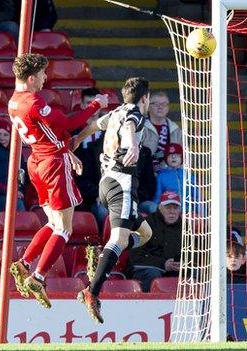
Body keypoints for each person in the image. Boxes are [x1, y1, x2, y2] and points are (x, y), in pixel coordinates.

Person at [7, 53, 108, 309]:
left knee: (53, 223)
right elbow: (69, 122)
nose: (44, 79)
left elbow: (48, 134)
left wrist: (68, 152)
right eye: (42, 74)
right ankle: (38, 277)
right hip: (52, 165)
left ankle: (24, 262)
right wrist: (96, 105)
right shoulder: (33, 101)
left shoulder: (13, 101)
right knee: (64, 228)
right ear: (31, 78)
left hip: (37, 163)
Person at [73, 77, 153, 323]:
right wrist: (133, 147)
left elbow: (96, 125)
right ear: (145, 98)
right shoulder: (134, 114)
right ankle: (92, 291)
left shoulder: (116, 112)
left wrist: (77, 139)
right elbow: (130, 126)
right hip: (122, 184)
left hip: (106, 185)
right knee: (118, 238)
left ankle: (103, 256)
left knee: (146, 233)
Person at [127, 191, 182, 292]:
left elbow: (195, 253)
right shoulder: (145, 224)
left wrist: (182, 264)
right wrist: (163, 264)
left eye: (175, 208)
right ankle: (146, 304)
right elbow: (135, 256)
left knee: (194, 273)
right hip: (145, 268)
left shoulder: (185, 228)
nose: (172, 211)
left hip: (175, 270)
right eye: (168, 207)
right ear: (160, 208)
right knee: (153, 274)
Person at [73, 87, 108, 229]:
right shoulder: (73, 131)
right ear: (82, 105)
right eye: (89, 103)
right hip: (83, 192)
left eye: (96, 104)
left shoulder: (110, 131)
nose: (93, 109)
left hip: (107, 190)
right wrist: (96, 193)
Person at [0, 120, 26, 221]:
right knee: (16, 203)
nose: (2, 138)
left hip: (12, 196)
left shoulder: (17, 152)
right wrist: (9, 191)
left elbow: (21, 175)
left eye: (6, 135)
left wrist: (19, 190)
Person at [141, 91, 183, 172]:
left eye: (164, 104)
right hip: (145, 175)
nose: (160, 107)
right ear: (149, 107)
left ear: (168, 108)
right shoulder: (141, 127)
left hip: (168, 176)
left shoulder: (176, 130)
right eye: (156, 104)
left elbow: (183, 156)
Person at [152, 143, 184, 210]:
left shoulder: (188, 175)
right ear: (166, 159)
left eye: (177, 155)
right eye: (170, 155)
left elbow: (197, 197)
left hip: (188, 212)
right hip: (169, 211)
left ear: (182, 158)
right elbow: (158, 196)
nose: (173, 157)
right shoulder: (161, 175)